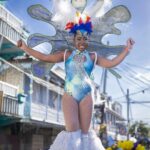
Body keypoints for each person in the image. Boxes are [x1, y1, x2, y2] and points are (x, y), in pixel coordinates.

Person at [17, 14, 135, 150]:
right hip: (70, 95)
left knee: (85, 135)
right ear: (73, 39)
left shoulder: (93, 56)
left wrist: (126, 50)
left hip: (87, 96)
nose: (82, 41)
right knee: (72, 131)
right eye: (79, 38)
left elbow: (112, 63)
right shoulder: (66, 54)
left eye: (85, 38)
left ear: (88, 40)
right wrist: (25, 48)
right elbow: (45, 57)